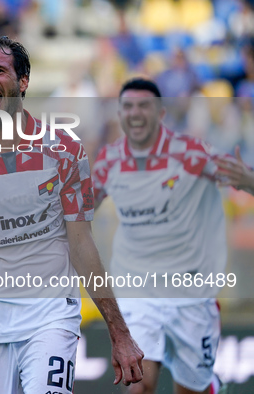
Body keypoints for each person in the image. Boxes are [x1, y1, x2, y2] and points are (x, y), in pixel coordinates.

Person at [0, 35, 144, 393]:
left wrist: (119, 332)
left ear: (23, 81)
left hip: (50, 315)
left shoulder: (64, 153)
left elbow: (82, 245)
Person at [91, 77, 254, 394]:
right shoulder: (110, 160)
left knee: (190, 389)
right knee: (140, 385)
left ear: (161, 113)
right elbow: (80, 211)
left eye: (144, 106)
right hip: (138, 290)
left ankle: (207, 384)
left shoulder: (189, 154)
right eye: (127, 107)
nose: (135, 113)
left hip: (190, 292)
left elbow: (239, 177)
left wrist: (248, 179)